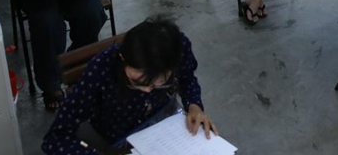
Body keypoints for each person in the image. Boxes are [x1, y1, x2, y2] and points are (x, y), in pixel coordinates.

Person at [42, 17, 216, 154]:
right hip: (116, 134)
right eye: (138, 82)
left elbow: (187, 77)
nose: (148, 90)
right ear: (123, 59)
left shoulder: (179, 46)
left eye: (159, 84)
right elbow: (55, 138)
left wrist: (194, 106)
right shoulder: (101, 69)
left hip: (165, 124)